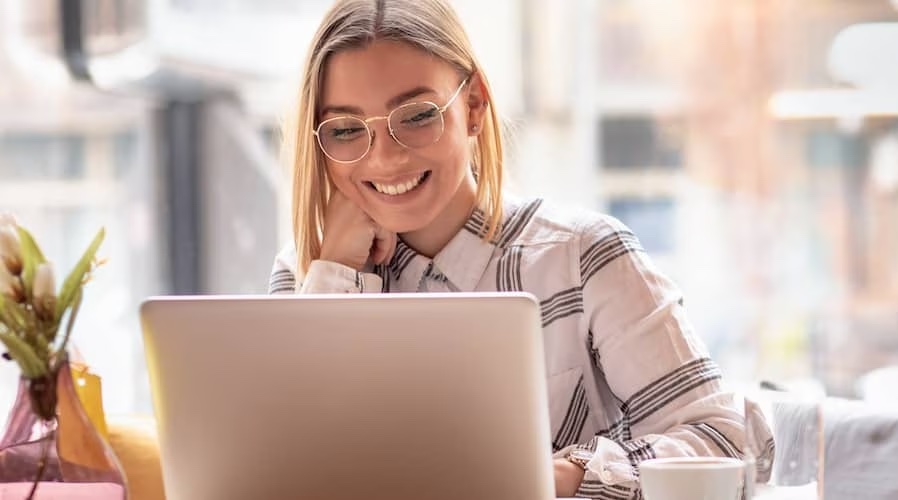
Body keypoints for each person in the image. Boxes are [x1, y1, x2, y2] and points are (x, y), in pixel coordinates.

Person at [267, 0, 773, 497]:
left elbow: (725, 442)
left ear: (474, 106)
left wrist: (562, 475)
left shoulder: (583, 257)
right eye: (348, 129)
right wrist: (334, 274)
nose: (385, 158)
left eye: (417, 115)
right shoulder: (306, 273)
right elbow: (278, 468)